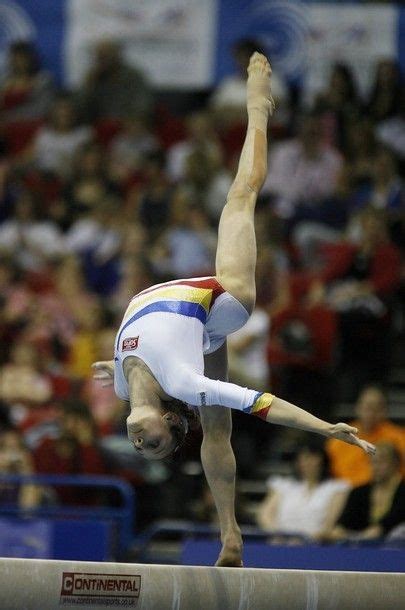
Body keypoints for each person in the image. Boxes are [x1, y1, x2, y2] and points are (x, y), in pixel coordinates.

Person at [93, 53, 375, 567]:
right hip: (223, 304)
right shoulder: (183, 383)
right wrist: (325, 428)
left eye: (141, 449)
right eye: (156, 445)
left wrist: (109, 366)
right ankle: (259, 109)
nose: (142, 445)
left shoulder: (120, 386)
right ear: (172, 423)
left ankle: (230, 538)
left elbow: (129, 365)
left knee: (217, 431)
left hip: (194, 326)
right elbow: (264, 403)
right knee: (240, 197)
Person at [256, 441, 349, 541]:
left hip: (315, 544)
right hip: (281, 543)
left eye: (313, 457)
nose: (307, 462)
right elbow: (265, 515)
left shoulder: (337, 487)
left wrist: (308, 539)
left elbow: (329, 523)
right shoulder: (283, 485)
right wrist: (278, 535)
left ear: (323, 460)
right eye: (303, 458)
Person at [326, 385, 405, 486]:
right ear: (357, 408)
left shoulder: (399, 437)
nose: (371, 413)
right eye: (367, 407)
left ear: (385, 410)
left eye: (376, 408)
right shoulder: (339, 436)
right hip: (344, 493)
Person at [326, 442, 405, 542]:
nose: (375, 467)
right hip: (362, 548)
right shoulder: (359, 492)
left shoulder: (402, 492)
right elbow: (344, 523)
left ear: (396, 463)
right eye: (372, 462)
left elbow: (394, 520)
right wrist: (335, 533)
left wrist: (375, 532)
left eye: (381, 462)